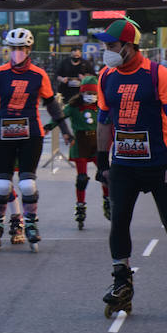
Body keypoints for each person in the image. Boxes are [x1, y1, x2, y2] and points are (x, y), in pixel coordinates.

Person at [92, 18, 167, 318]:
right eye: (105, 46)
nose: (107, 51)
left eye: (112, 46)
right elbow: (104, 120)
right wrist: (102, 160)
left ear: (129, 46)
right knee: (118, 222)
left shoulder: (157, 74)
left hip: (158, 164)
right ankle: (121, 283)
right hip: (124, 165)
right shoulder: (106, 77)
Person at [0, 27, 69, 251]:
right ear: (7, 50)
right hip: (4, 132)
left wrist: (65, 129)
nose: (17, 52)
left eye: (21, 48)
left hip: (30, 133)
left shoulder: (39, 75)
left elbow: (52, 104)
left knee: (27, 184)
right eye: (13, 48)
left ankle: (30, 224)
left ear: (29, 49)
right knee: (2, 184)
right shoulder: (0, 73)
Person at [60, 75, 104, 229]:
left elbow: (113, 120)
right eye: (88, 94)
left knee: (105, 174)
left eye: (94, 94)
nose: (91, 97)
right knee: (82, 178)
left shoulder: (101, 106)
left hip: (97, 143)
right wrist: (48, 127)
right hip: (80, 143)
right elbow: (59, 117)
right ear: (82, 93)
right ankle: (80, 206)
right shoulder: (73, 107)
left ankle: (107, 201)